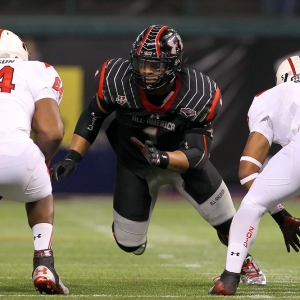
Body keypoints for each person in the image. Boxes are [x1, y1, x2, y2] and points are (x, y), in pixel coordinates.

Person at [51, 24, 293, 287]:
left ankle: (243, 261)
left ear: (173, 65)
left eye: (154, 66)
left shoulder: (199, 92)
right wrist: (73, 156)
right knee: (129, 244)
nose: (146, 71)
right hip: (136, 165)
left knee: (227, 221)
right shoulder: (116, 77)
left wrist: (163, 158)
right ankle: (128, 222)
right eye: (142, 64)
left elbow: (198, 154)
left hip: (184, 164)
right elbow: (94, 115)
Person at [209, 55, 300, 295]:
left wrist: (280, 215)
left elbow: (248, 170)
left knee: (252, 204)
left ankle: (230, 277)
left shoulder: (269, 97)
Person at [0, 29, 69, 295]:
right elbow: (52, 131)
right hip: (18, 152)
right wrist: (41, 163)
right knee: (40, 192)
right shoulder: (37, 70)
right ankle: (44, 263)